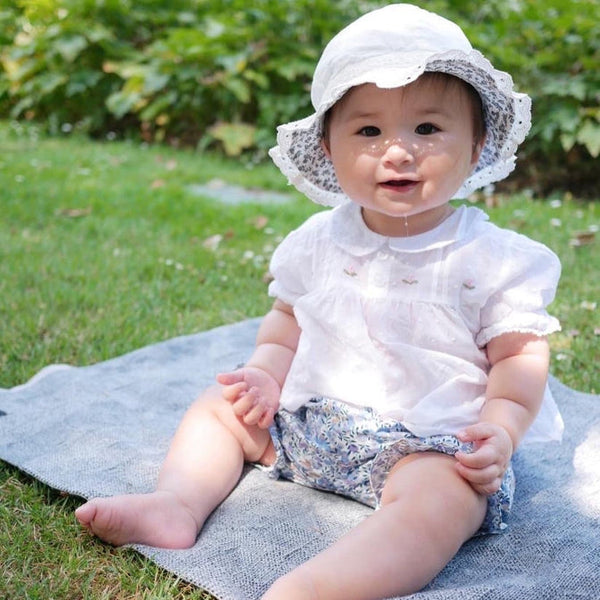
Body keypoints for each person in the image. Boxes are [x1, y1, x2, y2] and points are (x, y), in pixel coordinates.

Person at [75, 4, 563, 599]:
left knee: (443, 502)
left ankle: (323, 586)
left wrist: (501, 428)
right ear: (329, 148)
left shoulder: (496, 259)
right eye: (368, 131)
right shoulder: (315, 242)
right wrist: (262, 376)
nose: (398, 151)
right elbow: (285, 327)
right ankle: (176, 504)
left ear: (477, 143)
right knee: (221, 407)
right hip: (313, 424)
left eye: (428, 129)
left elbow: (520, 360)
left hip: (432, 445)